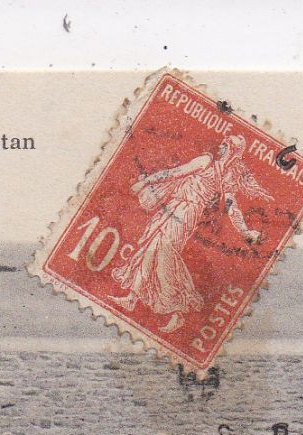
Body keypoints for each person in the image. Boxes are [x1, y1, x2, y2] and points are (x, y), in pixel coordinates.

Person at [111, 132, 274, 334]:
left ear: (231, 150)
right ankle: (132, 298)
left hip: (186, 213)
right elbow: (176, 172)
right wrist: (147, 182)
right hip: (175, 206)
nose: (221, 146)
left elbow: (231, 206)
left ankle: (177, 312)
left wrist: (244, 230)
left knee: (163, 256)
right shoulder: (206, 161)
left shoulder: (224, 175)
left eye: (226, 144)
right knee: (149, 248)